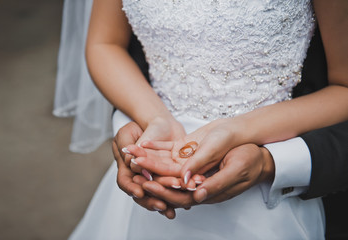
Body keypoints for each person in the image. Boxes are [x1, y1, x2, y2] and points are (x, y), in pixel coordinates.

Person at [54, 0, 348, 239]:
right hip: (156, 157)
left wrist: (238, 131)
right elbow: (105, 43)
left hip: (264, 183)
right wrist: (153, 118)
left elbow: (343, 86)